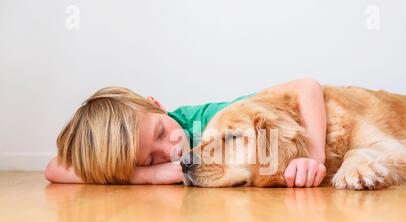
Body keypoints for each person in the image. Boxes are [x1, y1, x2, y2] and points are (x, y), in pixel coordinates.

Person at [45, 78, 327, 187]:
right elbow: (54, 169)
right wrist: (149, 175)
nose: (171, 151)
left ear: (157, 106)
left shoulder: (207, 122)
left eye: (160, 132)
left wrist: (314, 160)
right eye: (151, 159)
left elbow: (307, 87)